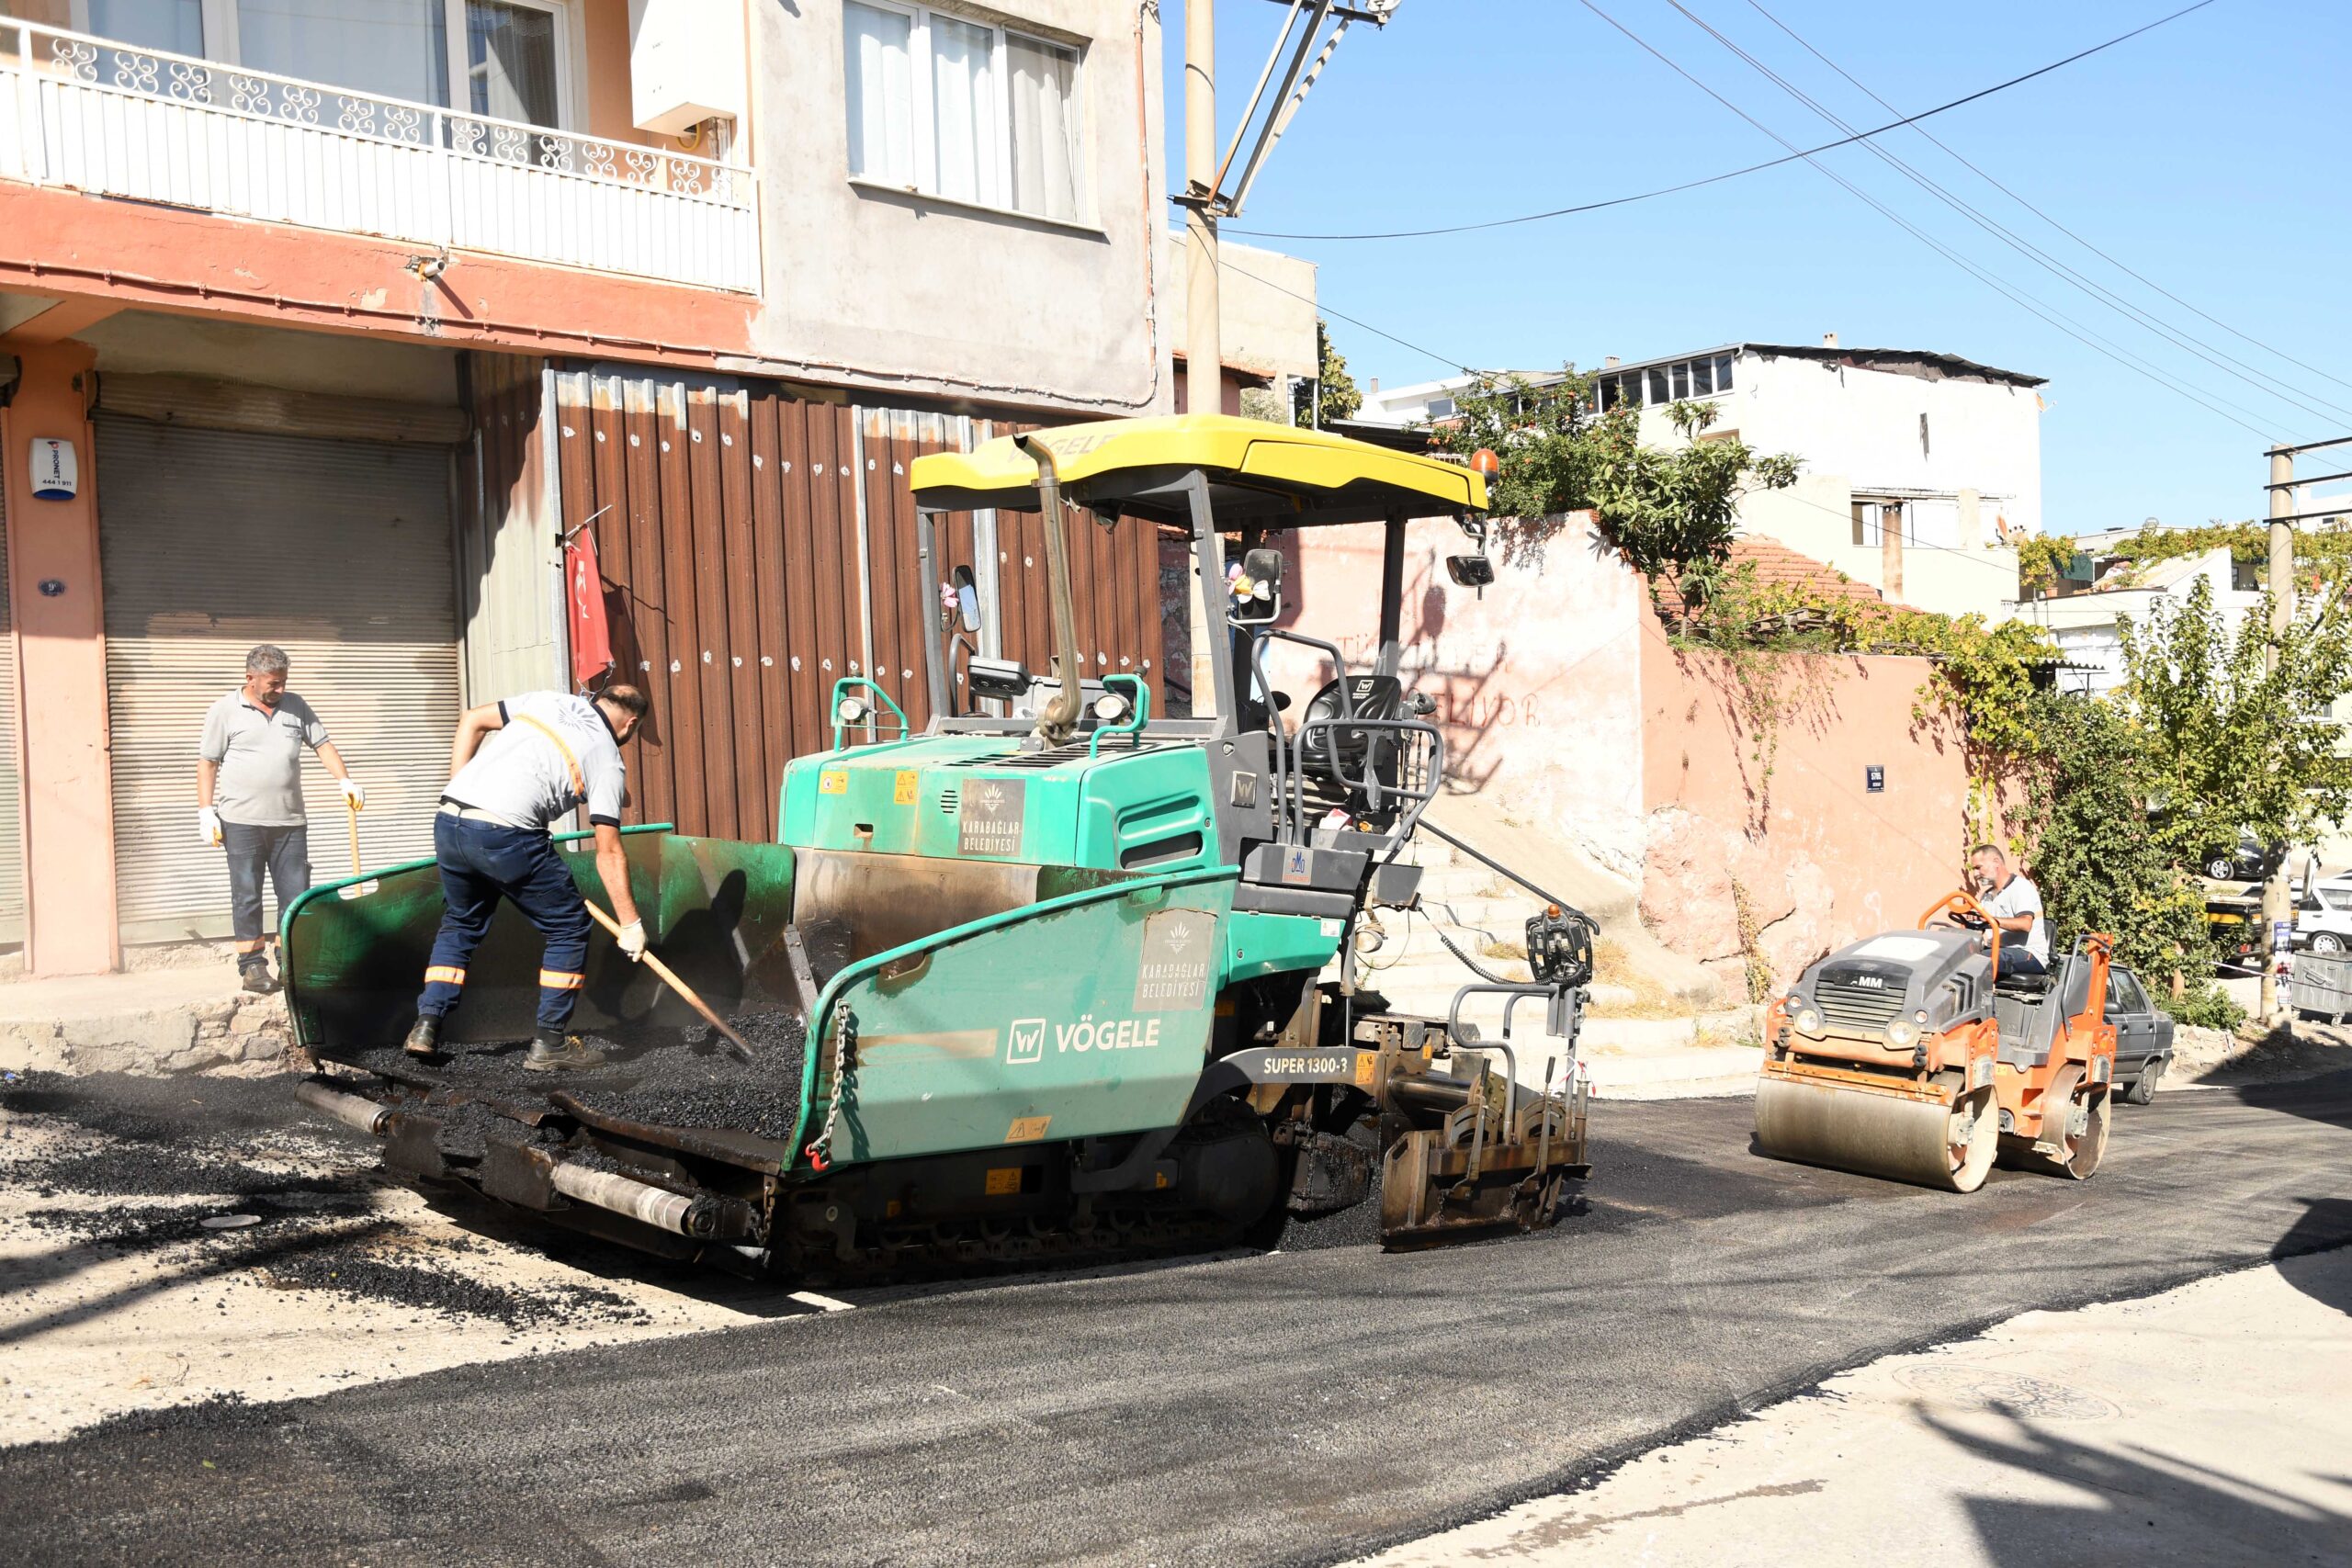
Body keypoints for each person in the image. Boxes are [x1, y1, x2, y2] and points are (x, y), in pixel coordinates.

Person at [404, 684, 652, 1072]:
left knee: (460, 922)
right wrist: (630, 924)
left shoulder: (550, 700)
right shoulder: (607, 757)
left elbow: (472, 719)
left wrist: (463, 788)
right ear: (630, 724)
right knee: (569, 925)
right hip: (506, 835)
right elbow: (608, 851)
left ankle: (426, 1025)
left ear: (597, 700)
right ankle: (551, 1042)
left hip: (451, 818)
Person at [198, 645, 364, 994]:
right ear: (251, 679)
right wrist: (205, 810)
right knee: (247, 895)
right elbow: (208, 762)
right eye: (274, 683)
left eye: (284, 682)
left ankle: (291, 961)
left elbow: (323, 745)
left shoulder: (296, 706)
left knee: (296, 895)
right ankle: (253, 966)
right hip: (241, 821)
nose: (280, 689)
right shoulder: (224, 710)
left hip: (290, 822)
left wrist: (344, 780)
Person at [1969, 843, 2051, 982]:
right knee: (1958, 956)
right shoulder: (1987, 896)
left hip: (2029, 953)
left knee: (1979, 961)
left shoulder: (2020, 887)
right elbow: (1983, 931)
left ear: (1996, 862)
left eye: (1978, 868)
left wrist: (1991, 920)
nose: (1975, 874)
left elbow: (2025, 923)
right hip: (1998, 950)